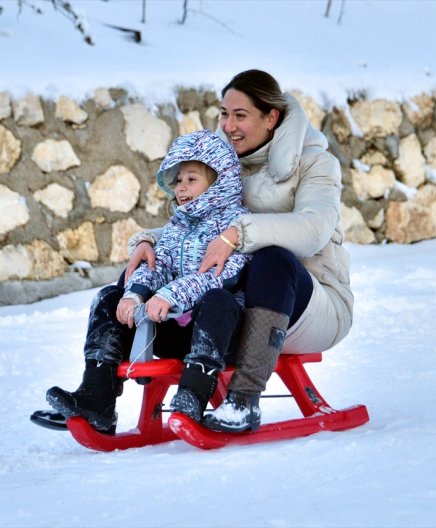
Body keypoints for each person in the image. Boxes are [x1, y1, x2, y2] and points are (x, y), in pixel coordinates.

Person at [125, 69, 353, 433]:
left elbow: (313, 230)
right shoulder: (220, 164)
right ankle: (100, 391)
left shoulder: (315, 164)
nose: (229, 125)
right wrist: (146, 240)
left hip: (312, 304)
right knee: (149, 266)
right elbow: (191, 225)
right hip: (232, 303)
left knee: (272, 258)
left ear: (271, 117)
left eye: (241, 115)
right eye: (224, 114)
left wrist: (236, 234)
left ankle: (243, 400)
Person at [45, 129, 250, 434]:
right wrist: (135, 294)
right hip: (172, 328)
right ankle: (97, 396)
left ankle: (192, 397)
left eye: (191, 179)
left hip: (218, 335)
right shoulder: (178, 225)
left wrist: (169, 295)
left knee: (218, 301)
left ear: (219, 183)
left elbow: (217, 278)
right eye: (178, 180)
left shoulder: (237, 227)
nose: (181, 187)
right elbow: (158, 264)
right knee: (108, 298)